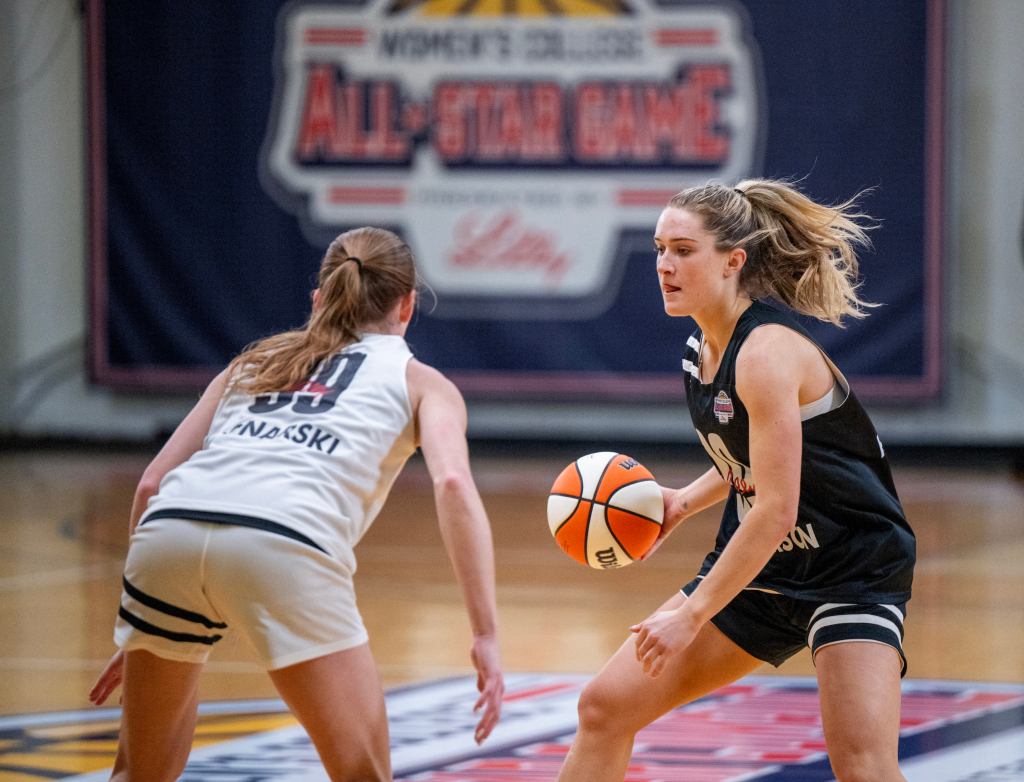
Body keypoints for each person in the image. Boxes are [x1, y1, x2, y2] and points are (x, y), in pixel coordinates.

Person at [89, 226, 505, 782]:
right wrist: (484, 634)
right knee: (363, 773)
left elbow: (150, 484)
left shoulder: (252, 362)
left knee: (138, 773)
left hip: (165, 536)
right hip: (285, 542)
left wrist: (147, 620)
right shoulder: (422, 383)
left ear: (320, 300)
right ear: (407, 306)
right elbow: (452, 483)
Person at [557, 180, 915, 782]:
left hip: (853, 570)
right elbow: (751, 457)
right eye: (658, 249)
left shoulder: (766, 354)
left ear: (733, 260)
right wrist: (682, 502)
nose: (664, 266)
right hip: (765, 567)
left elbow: (776, 507)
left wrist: (692, 614)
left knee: (861, 763)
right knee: (605, 707)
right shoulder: (701, 348)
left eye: (683, 250)